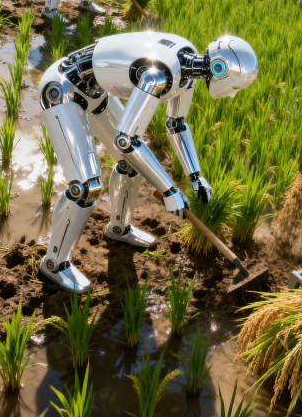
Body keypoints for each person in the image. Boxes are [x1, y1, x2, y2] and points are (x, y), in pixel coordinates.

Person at [37, 31, 258, 292]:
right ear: (220, 70)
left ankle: (119, 227)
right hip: (63, 88)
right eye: (234, 87)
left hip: (96, 91)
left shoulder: (189, 69)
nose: (231, 94)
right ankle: (54, 263)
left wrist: (195, 177)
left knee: (133, 164)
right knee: (85, 187)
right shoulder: (159, 75)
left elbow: (176, 124)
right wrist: (169, 190)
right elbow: (126, 139)